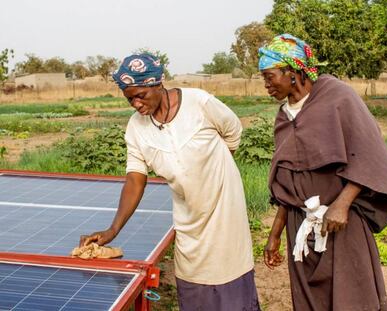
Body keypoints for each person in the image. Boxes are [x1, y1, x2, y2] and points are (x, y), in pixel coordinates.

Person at [79, 53, 260, 311]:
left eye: (141, 95)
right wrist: (112, 230)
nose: (136, 104)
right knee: (195, 288)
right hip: (188, 222)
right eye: (129, 98)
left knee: (232, 291)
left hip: (225, 216)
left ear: (157, 84)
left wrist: (216, 172)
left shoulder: (199, 103)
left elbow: (233, 132)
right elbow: (135, 179)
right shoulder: (136, 127)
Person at [258, 34, 387, 311]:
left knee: (353, 297)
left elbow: (368, 154)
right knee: (310, 300)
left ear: (292, 72)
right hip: (299, 223)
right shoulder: (284, 115)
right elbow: (288, 183)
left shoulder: (338, 97)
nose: (265, 85)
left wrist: (343, 204)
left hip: (341, 222)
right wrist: (275, 234)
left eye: (269, 76)